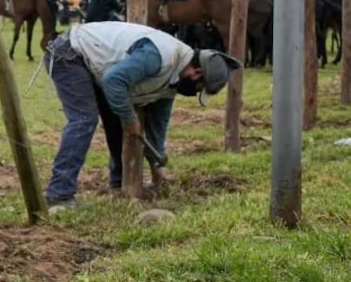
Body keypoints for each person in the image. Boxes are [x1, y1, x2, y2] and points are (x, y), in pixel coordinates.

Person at [42, 21, 241, 207]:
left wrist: (157, 166)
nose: (195, 92)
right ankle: (59, 194)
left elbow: (157, 126)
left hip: (95, 67)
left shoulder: (174, 81)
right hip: (70, 54)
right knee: (84, 119)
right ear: (197, 72)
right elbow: (113, 81)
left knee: (115, 118)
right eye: (199, 88)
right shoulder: (160, 58)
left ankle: (119, 184)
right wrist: (130, 119)